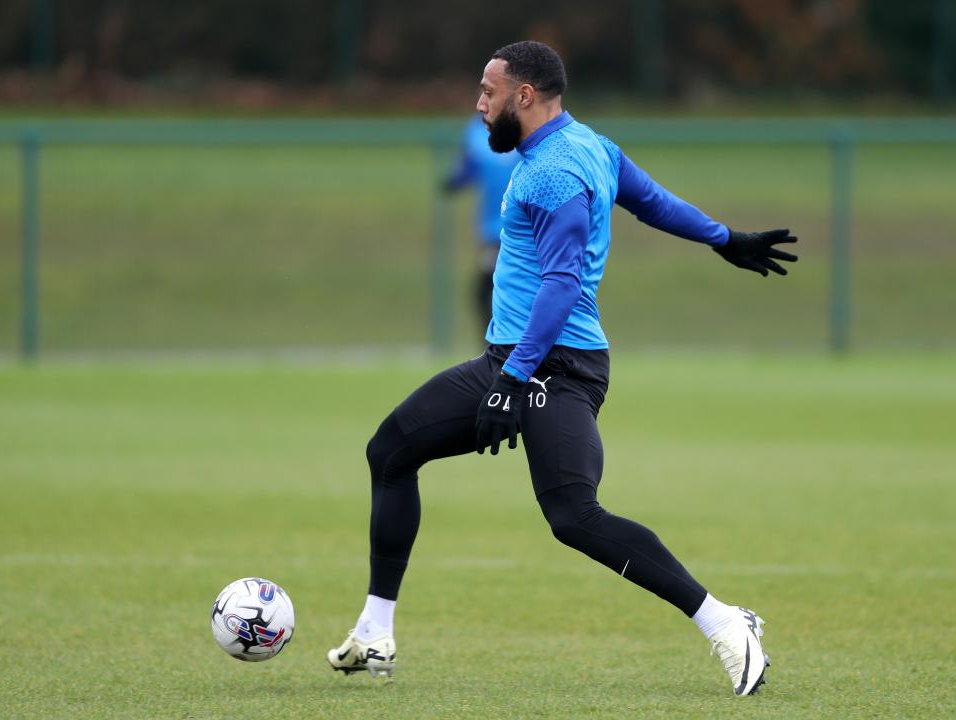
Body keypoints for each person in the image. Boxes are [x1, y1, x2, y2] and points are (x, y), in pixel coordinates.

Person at [327, 41, 797, 697]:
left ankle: (724, 623)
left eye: (488, 92)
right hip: (521, 360)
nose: (478, 103)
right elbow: (653, 200)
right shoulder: (590, 147)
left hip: (554, 366)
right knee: (392, 450)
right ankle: (375, 632)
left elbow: (561, 282)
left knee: (574, 516)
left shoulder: (553, 172)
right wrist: (724, 238)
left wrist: (514, 379)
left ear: (524, 96)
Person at [443, 114, 520, 331]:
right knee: (493, 290)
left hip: (515, 230)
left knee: (491, 291)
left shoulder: (527, 127)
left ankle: (503, 347)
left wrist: (454, 182)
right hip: (496, 232)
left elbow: (465, 172)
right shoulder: (477, 131)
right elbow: (466, 171)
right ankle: (502, 347)